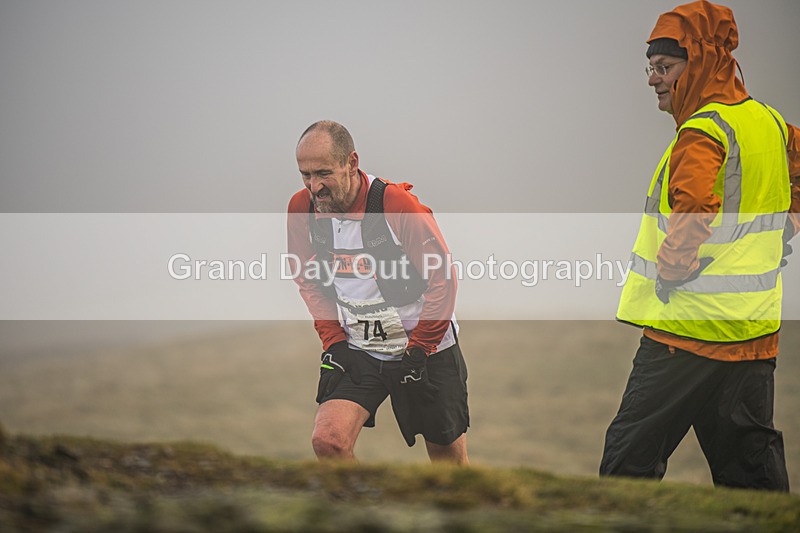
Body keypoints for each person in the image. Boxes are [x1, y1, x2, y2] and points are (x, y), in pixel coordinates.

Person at [601, 0, 800, 491]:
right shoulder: (769, 123)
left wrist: (672, 270)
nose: (653, 79)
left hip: (686, 333)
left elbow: (694, 209)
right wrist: (787, 227)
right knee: (752, 480)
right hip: (752, 334)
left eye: (665, 67)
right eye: (650, 67)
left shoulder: (703, 132)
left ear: (702, 63)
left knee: (627, 467)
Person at [287, 120, 469, 464]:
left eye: (324, 173)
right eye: (305, 175)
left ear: (351, 163)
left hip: (426, 348)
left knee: (448, 463)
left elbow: (442, 281)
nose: (315, 186)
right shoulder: (302, 208)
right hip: (360, 348)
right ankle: (364, 514)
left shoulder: (396, 203)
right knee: (328, 442)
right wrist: (334, 342)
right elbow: (307, 279)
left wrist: (420, 349)